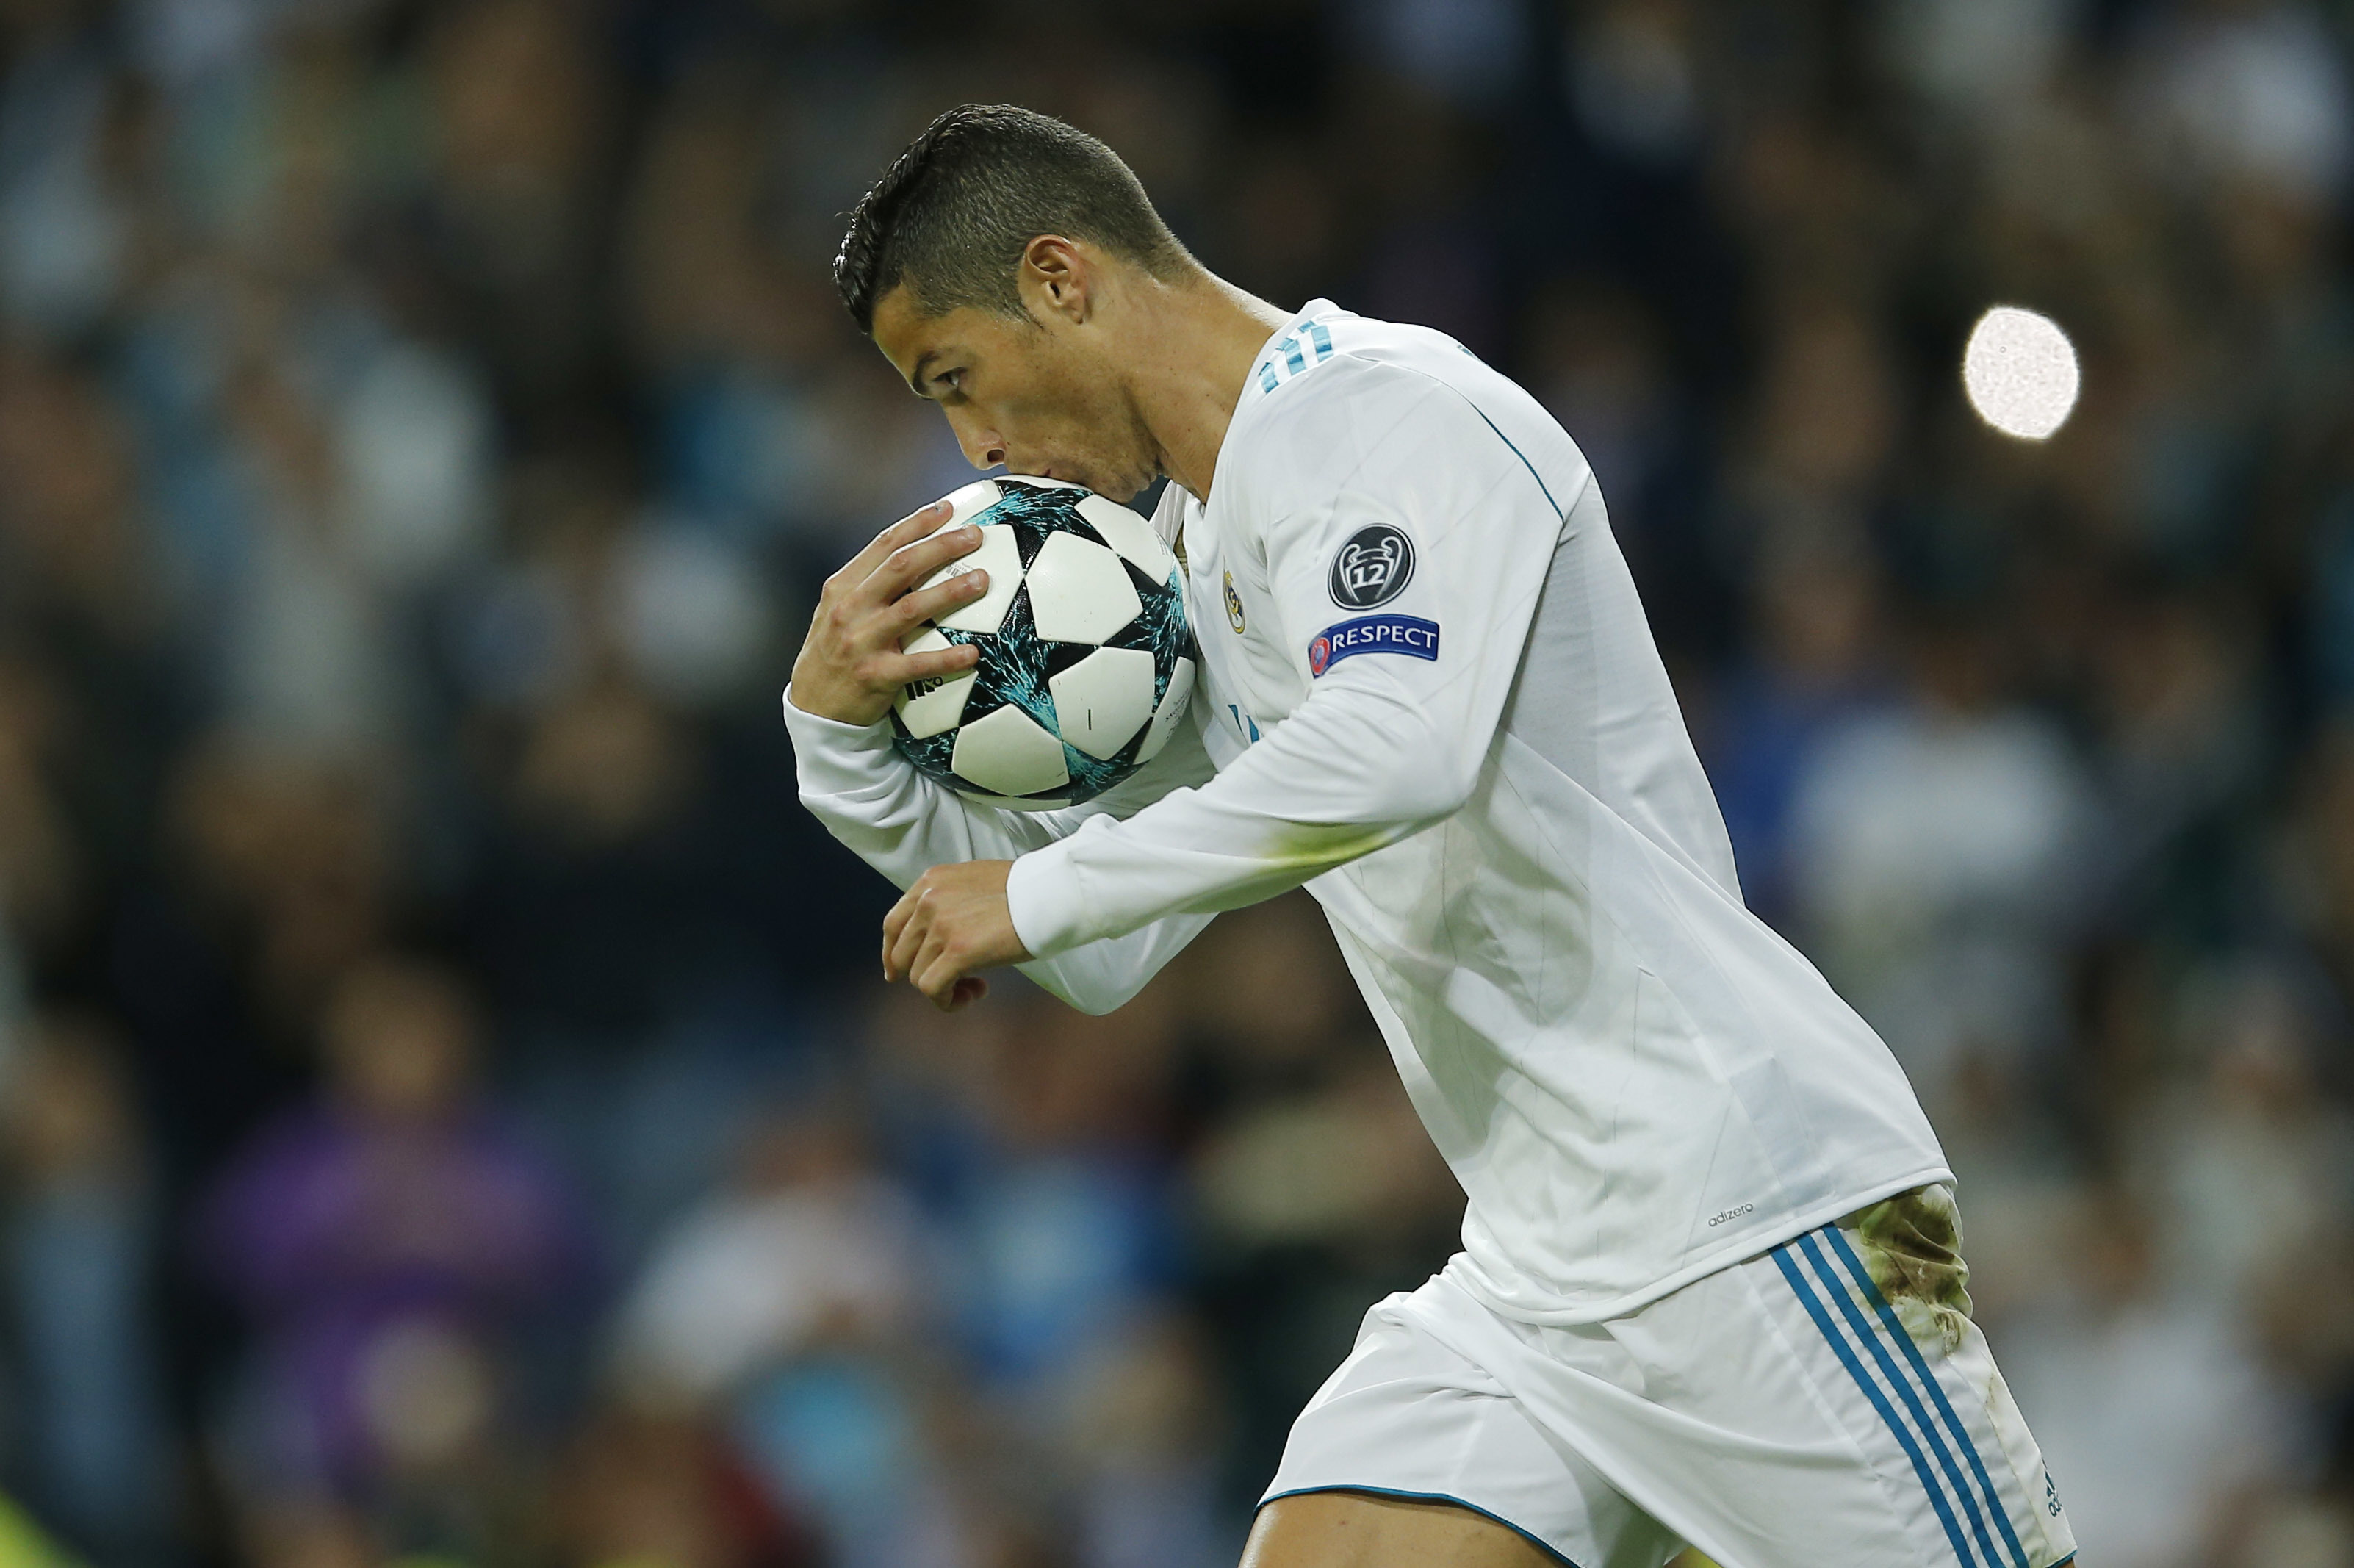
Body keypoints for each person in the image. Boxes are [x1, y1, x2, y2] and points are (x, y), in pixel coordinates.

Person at [783, 104, 2077, 1568]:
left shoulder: (1384, 413)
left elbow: (1400, 742)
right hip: (1538, 1271)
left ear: (1061, 279)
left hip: (1742, 1208)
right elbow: (1113, 943)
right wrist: (839, 744)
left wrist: (1038, 885)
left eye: (958, 379)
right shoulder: (1208, 550)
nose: (973, 444)